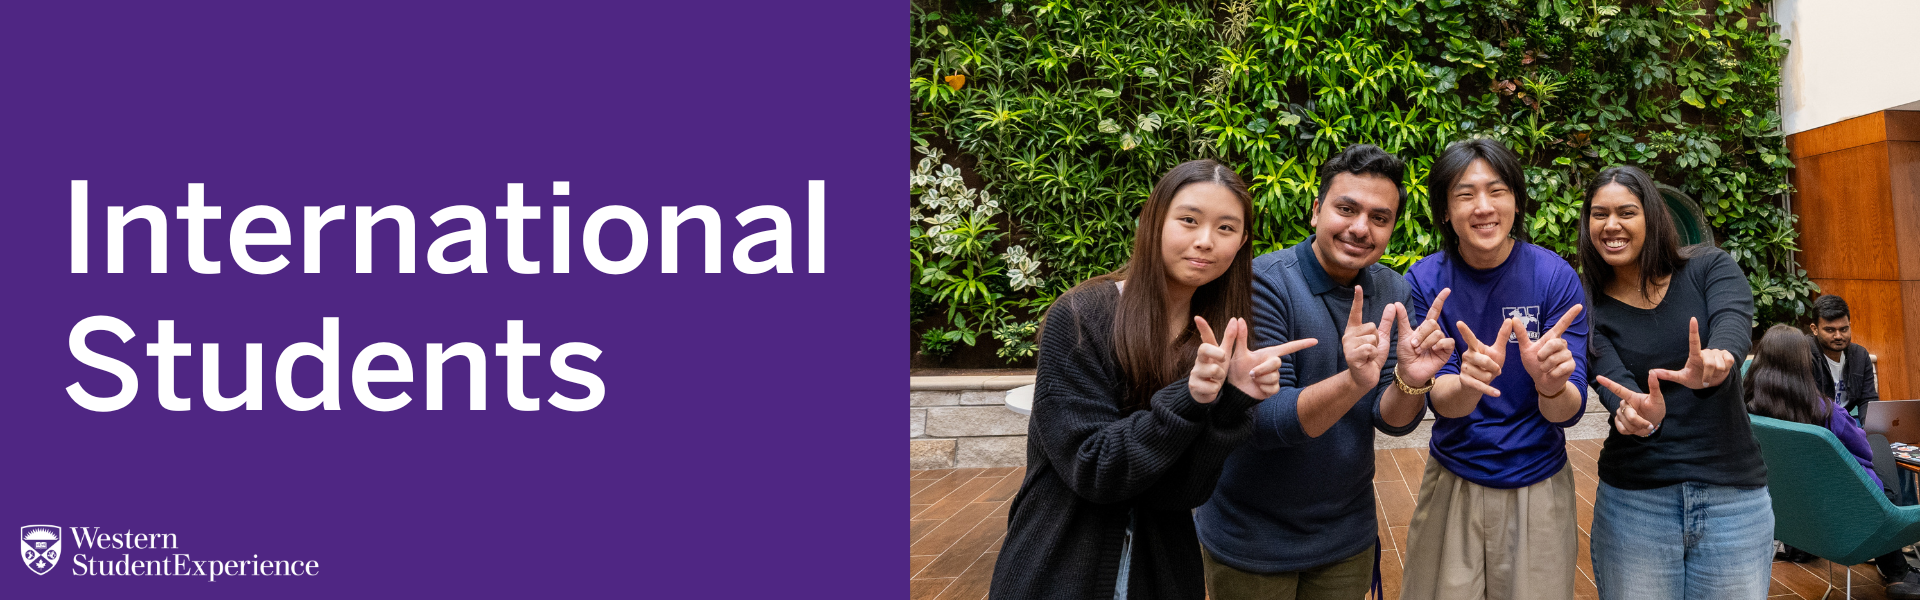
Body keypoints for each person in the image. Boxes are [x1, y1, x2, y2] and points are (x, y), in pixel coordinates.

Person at [989, 159, 1316, 600]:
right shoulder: (1083, 317)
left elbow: (1184, 492)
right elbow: (1094, 469)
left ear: (1241, 243)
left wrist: (1234, 400)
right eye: (1188, 220)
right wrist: (1190, 396)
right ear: (1152, 221)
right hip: (1059, 564)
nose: (1205, 241)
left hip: (1162, 570)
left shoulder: (1220, 339)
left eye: (1225, 228)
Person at [1196, 144, 1449, 600]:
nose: (1360, 228)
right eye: (1346, 208)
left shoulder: (1391, 288)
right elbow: (1266, 420)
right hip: (1254, 539)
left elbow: (1391, 420)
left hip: (1346, 535)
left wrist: (1412, 379)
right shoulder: (1264, 281)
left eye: (1379, 217)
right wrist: (1354, 380)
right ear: (1316, 211)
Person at [1398, 138, 1588, 600]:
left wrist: (1549, 387)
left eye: (1497, 190)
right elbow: (1441, 400)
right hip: (1453, 476)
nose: (1483, 207)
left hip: (1538, 479)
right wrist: (1467, 384)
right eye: (1465, 194)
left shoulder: (1555, 277)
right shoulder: (1425, 283)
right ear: (1445, 211)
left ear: (1517, 201)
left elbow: (1569, 409)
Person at [1578, 165, 1770, 599]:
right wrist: (1634, 412)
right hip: (1636, 502)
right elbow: (1612, 383)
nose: (1611, 225)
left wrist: (1720, 359)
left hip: (1733, 498)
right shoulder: (1587, 304)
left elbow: (1732, 322)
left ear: (1651, 216)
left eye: (1626, 212)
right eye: (1599, 214)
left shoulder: (1708, 266)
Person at [1745, 324, 1920, 598]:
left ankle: (1896, 569)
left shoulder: (1749, 409)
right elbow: (1864, 450)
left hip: (1796, 512)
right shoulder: (1825, 410)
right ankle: (1898, 565)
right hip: (1856, 505)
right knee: (1877, 440)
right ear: (1804, 363)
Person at [1808, 294, 1879, 420]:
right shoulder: (1803, 354)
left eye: (1844, 329)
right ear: (1815, 329)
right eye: (1830, 330)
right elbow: (1804, 405)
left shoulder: (1860, 355)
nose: (1838, 336)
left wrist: (1869, 430)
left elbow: (1868, 400)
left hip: (1847, 421)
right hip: (1816, 424)